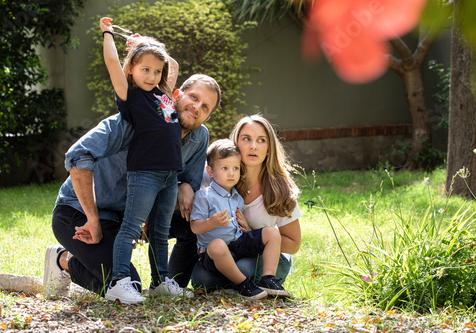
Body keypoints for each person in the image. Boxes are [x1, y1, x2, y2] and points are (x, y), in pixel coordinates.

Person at [43, 73, 221, 302]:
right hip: (80, 213)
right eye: (194, 97)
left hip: (133, 216)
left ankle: (167, 283)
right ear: (176, 95)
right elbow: (78, 157)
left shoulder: (199, 136)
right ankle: (63, 261)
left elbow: (187, 178)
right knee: (130, 286)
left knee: (193, 226)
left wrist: (185, 184)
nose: (196, 107)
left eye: (205, 107)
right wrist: (93, 219)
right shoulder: (136, 121)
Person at [96, 17, 183, 304]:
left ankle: (160, 281)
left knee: (160, 230)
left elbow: (174, 66)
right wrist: (109, 33)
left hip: (171, 173)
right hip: (145, 172)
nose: (151, 76)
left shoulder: (163, 93)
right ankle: (119, 282)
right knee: (132, 227)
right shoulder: (130, 96)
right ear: (131, 69)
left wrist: (145, 43)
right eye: (144, 69)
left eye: (157, 71)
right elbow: (111, 63)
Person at [191, 114, 302, 290]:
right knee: (200, 279)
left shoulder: (280, 189)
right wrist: (183, 188)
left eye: (261, 140)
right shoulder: (219, 177)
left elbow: (294, 244)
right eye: (246, 139)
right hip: (229, 251)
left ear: (269, 147)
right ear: (235, 144)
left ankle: (254, 281)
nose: (253, 146)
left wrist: (252, 233)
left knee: (243, 268)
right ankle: (236, 281)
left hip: (268, 256)